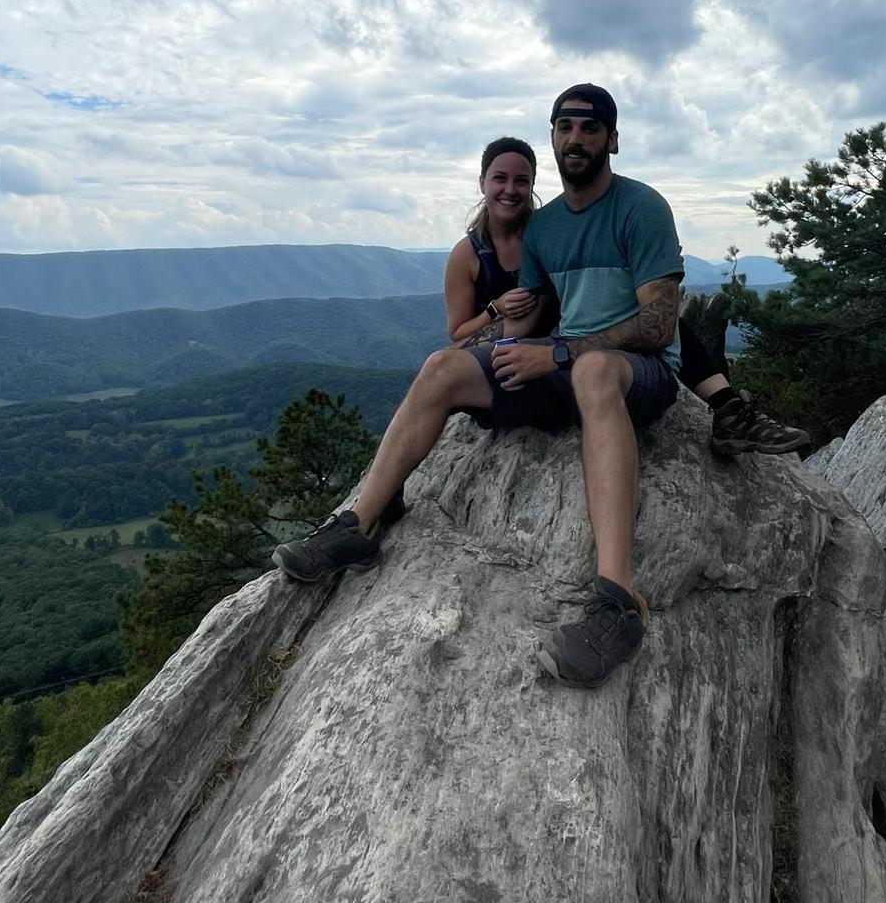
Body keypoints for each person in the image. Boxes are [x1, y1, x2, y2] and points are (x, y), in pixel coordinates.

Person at [274, 84, 796, 687]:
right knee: (441, 366)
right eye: (565, 127)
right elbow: (531, 318)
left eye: (590, 128)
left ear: (612, 140)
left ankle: (616, 601)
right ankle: (358, 527)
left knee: (596, 370)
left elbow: (657, 324)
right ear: (552, 137)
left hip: (637, 373)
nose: (576, 138)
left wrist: (559, 351)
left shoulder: (642, 208)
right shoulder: (544, 230)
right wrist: (503, 338)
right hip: (563, 366)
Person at [447, 137, 808, 457]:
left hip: (568, 324)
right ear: (483, 182)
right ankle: (725, 403)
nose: (510, 189)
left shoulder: (546, 229)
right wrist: (495, 308)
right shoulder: (469, 254)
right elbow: (458, 334)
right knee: (444, 370)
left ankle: (726, 405)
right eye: (499, 178)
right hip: (519, 331)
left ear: (531, 186)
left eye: (521, 181)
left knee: (654, 314)